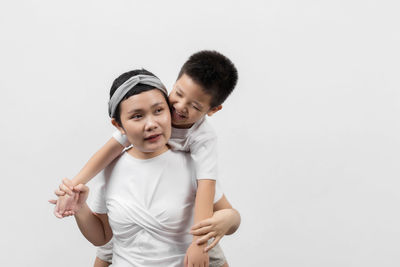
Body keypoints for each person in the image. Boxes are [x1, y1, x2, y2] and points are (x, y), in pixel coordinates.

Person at [54, 51, 239, 266]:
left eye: (159, 110)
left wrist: (204, 238)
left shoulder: (198, 150)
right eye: (137, 116)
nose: (180, 107)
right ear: (119, 125)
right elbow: (106, 245)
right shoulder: (113, 166)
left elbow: (216, 203)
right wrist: (74, 188)